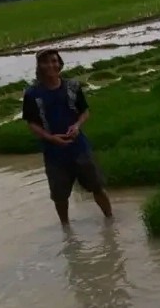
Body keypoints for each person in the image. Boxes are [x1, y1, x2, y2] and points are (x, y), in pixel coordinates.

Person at [22, 49, 113, 227]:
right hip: (54, 153)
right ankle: (66, 229)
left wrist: (77, 126)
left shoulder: (73, 87)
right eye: (46, 62)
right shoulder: (32, 94)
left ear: (60, 64)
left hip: (79, 147)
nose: (51, 65)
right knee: (60, 196)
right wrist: (50, 138)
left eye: (54, 61)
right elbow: (32, 123)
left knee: (97, 187)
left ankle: (110, 220)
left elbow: (85, 111)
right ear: (39, 66)